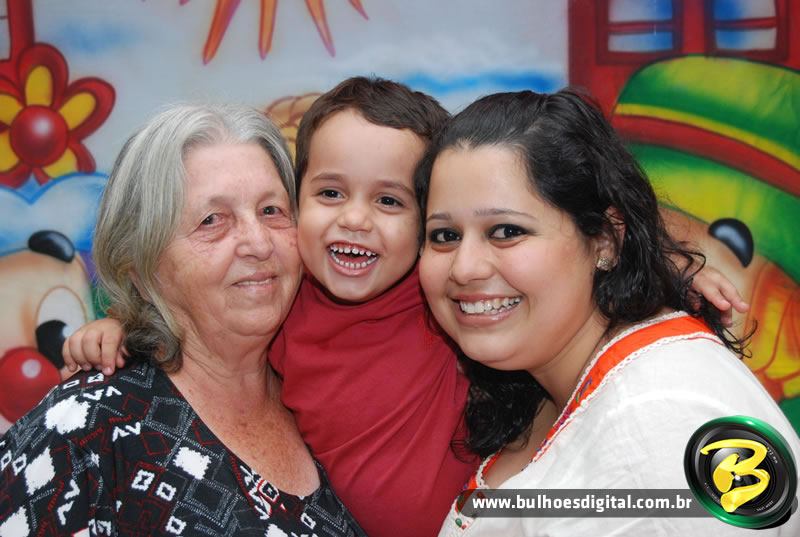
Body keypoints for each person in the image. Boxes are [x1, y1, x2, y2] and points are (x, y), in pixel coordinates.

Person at [60, 80, 749, 537]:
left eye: (391, 201)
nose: (355, 220)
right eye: (328, 193)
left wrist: (664, 269)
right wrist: (128, 323)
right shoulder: (285, 300)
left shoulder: (437, 296)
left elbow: (553, 205)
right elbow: (209, 312)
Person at [415, 89, 800, 536]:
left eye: (506, 231)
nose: (464, 268)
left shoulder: (659, 414)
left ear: (605, 240)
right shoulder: (547, 380)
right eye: (444, 236)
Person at [0, 104, 365, 537]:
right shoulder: (83, 427)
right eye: (212, 220)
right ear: (141, 266)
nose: (258, 242)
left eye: (271, 210)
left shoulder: (323, 392)